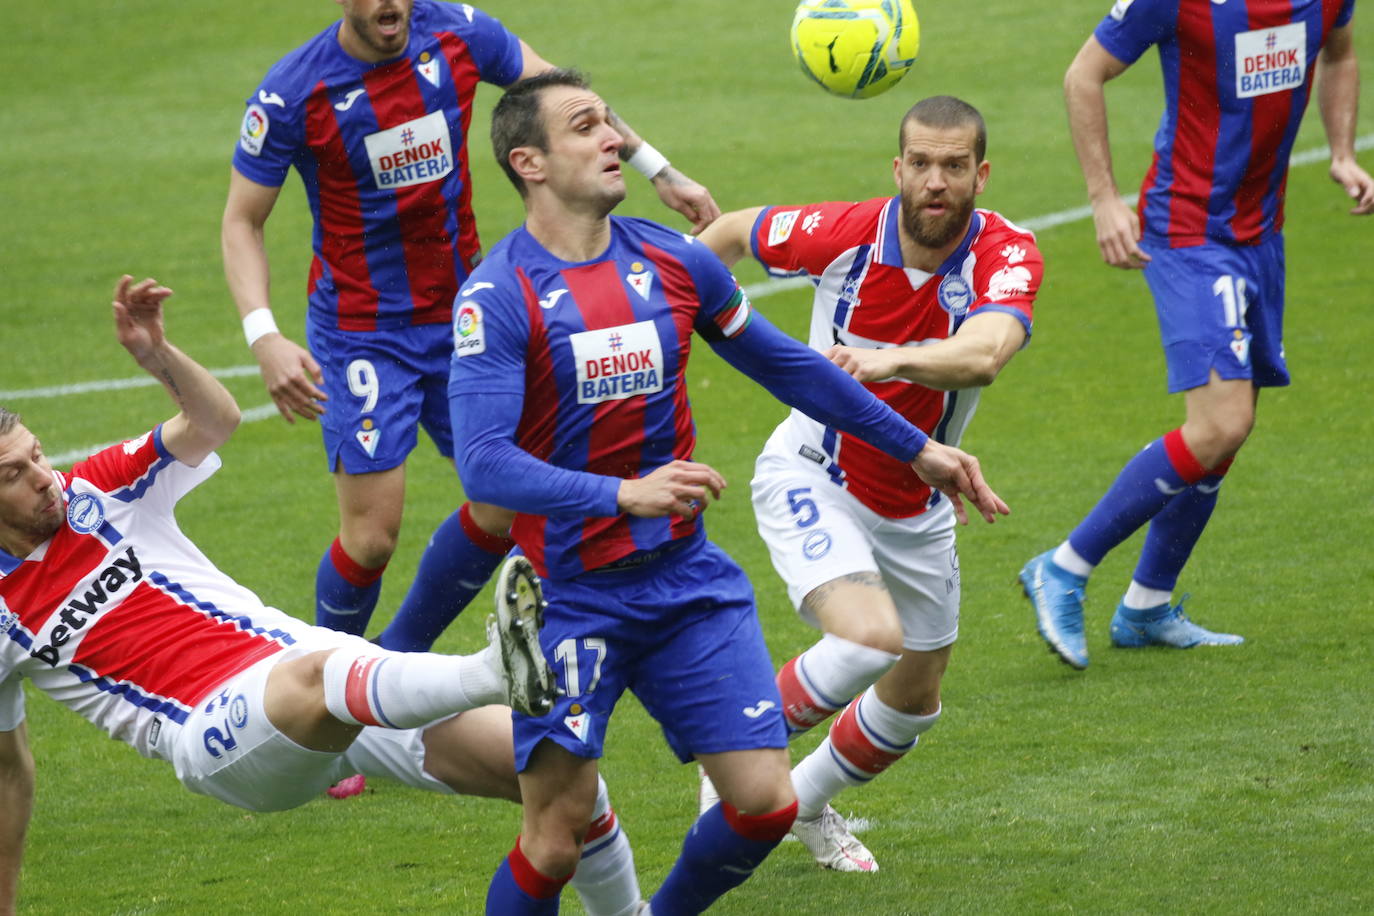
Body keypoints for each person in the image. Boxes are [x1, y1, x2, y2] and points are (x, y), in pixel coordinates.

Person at [449, 70, 1009, 914]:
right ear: (529, 162)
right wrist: (622, 494)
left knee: (765, 803)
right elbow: (485, 465)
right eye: (586, 127)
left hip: (686, 583)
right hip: (569, 596)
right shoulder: (498, 296)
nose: (614, 139)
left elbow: (789, 366)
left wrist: (918, 446)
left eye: (609, 123)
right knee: (556, 838)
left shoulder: (673, 261)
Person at [0, 277, 643, 916]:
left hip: (320, 671)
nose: (44, 478)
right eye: (15, 474)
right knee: (321, 674)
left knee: (563, 778)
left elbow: (214, 420)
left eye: (38, 455)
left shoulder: (95, 490)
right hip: (214, 732)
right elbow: (8, 770)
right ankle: (495, 672)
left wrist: (156, 354)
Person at [221, 0, 721, 663]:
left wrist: (658, 169)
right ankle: (324, 679)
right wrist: (264, 336)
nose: (390, 4)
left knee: (507, 502)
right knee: (370, 539)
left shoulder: (457, 32)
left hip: (470, 314)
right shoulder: (292, 94)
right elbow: (242, 219)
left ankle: (399, 656)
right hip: (363, 332)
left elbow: (568, 99)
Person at [696, 96, 1041, 872]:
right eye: (920, 163)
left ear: (981, 174)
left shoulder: (1007, 251)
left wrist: (890, 359)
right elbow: (729, 234)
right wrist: (667, 318)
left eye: (954, 166)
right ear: (898, 168)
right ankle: (732, 757)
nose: (935, 181)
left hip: (919, 503)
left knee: (916, 695)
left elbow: (985, 353)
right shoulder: (844, 233)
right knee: (863, 637)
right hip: (814, 474)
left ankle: (802, 803)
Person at [1019, 0, 1374, 670]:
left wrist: (1342, 152)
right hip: (1187, 232)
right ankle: (1063, 567)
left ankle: (1147, 605)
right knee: (1219, 422)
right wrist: (1104, 199)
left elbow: (1342, 52)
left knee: (1230, 431)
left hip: (1261, 235)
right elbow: (1083, 75)